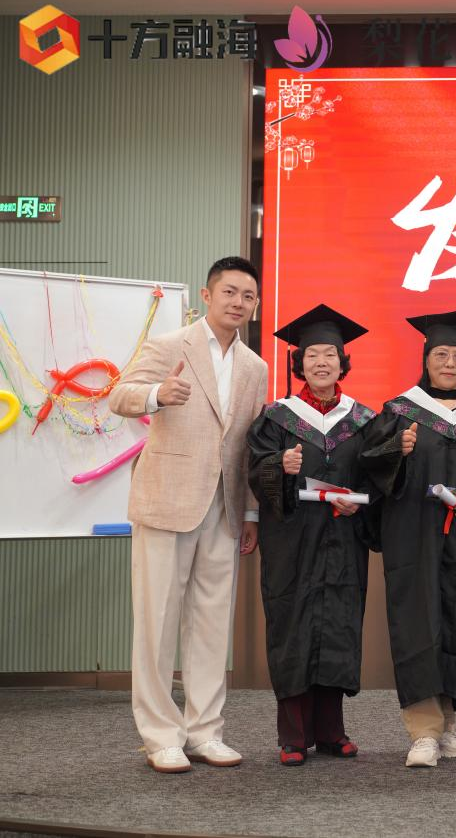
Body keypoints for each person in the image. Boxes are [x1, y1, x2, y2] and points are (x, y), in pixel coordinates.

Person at [106, 256, 267, 773]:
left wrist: (250, 512)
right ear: (207, 295)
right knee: (156, 622)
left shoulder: (255, 367)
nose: (238, 302)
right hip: (167, 500)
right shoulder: (169, 345)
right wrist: (157, 395)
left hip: (224, 506)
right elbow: (118, 396)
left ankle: (205, 731)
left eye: (248, 296)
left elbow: (250, 445)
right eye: (230, 292)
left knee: (212, 624)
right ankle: (160, 735)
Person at [359, 311, 456, 768]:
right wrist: (395, 451)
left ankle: (448, 724)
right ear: (426, 359)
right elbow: (369, 467)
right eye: (441, 355)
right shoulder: (400, 413)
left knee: (455, 620)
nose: (450, 363)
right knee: (417, 622)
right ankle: (422, 731)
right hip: (412, 534)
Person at [247, 305, 378, 766]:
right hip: (293, 539)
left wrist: (360, 500)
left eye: (330, 355)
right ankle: (293, 735)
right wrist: (277, 466)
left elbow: (376, 477)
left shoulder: (362, 419)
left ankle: (331, 731)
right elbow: (255, 469)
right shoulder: (276, 417)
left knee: (337, 623)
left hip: (343, 537)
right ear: (299, 363)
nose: (321, 363)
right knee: (293, 624)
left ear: (343, 363)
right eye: (312, 355)